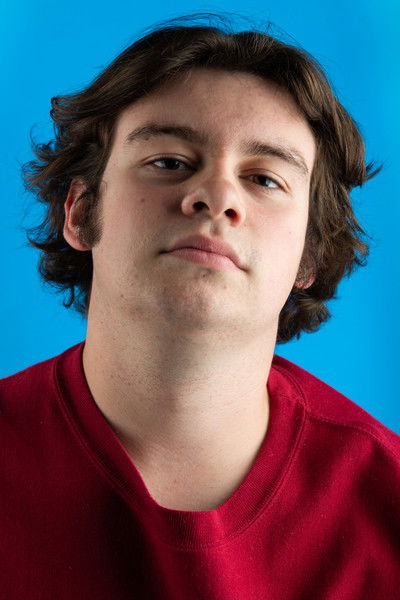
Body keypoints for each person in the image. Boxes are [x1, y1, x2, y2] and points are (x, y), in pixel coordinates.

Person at [1, 12, 399, 599]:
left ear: (310, 255)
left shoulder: (389, 502)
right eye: (169, 162)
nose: (216, 196)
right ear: (81, 212)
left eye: (264, 179)